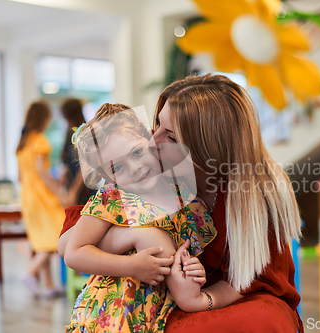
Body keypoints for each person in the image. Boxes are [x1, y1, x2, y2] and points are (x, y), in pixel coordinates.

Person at [60, 74, 303, 332]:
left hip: (183, 301)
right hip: (124, 304)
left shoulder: (244, 196)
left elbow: (250, 278)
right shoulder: (141, 181)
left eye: (171, 136)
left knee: (263, 321)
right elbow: (68, 245)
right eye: (156, 125)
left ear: (206, 146)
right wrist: (137, 236)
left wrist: (196, 289)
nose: (153, 141)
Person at [62, 103, 216, 333]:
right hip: (108, 314)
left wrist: (194, 269)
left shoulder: (186, 198)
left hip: (157, 314)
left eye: (137, 152)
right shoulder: (112, 199)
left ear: (152, 142)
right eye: (118, 167)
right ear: (107, 176)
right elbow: (74, 253)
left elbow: (191, 253)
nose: (134, 168)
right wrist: (131, 265)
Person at [16, 101, 67, 298]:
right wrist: (60, 193)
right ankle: (30, 272)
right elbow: (42, 173)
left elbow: (21, 176)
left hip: (27, 197)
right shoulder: (40, 141)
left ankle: (48, 285)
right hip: (41, 196)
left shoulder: (23, 143)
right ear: (43, 119)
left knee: (41, 239)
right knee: (55, 236)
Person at [59, 98, 94, 206]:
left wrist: (74, 192)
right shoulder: (69, 133)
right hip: (73, 185)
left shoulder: (83, 133)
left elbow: (85, 167)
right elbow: (66, 159)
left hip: (84, 189)